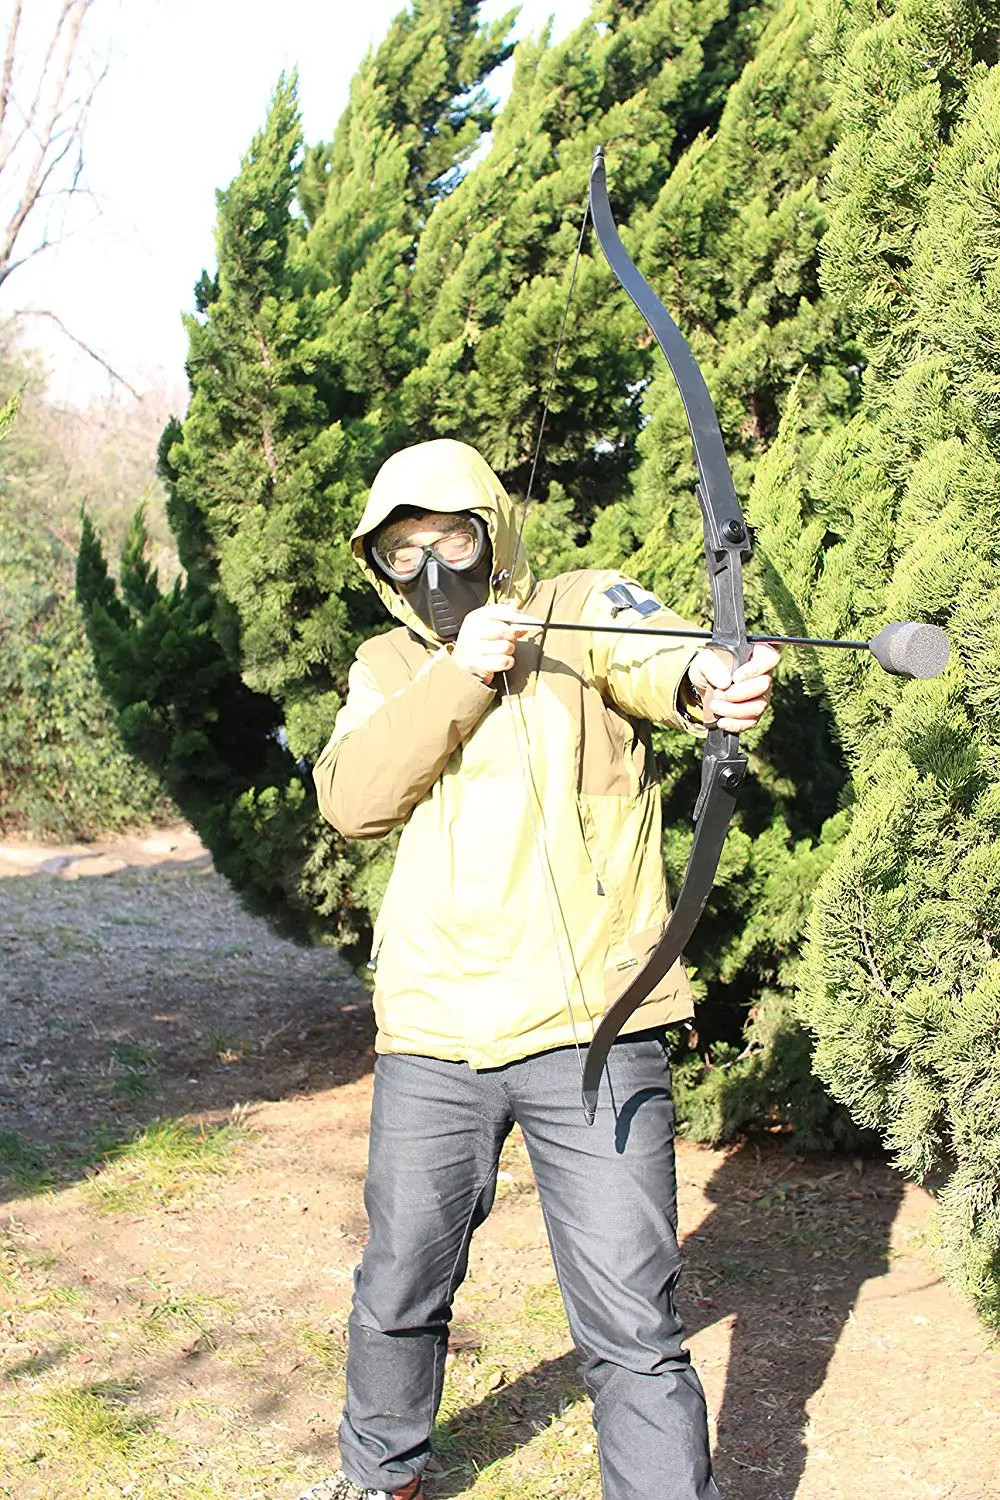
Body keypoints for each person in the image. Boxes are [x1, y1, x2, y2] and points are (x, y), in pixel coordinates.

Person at [302, 439, 778, 1500]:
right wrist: (458, 674)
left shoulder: (576, 607)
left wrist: (709, 678)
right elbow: (352, 801)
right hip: (434, 1033)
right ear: (378, 564)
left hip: (593, 1028)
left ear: (493, 531)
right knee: (398, 1284)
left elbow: (656, 652)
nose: (432, 568)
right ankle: (379, 1477)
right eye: (404, 551)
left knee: (631, 1319)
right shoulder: (387, 667)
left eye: (452, 539)